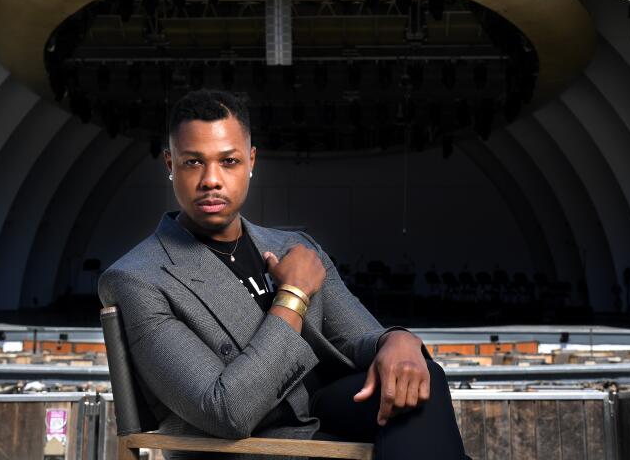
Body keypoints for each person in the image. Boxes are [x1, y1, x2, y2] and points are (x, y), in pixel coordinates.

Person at [98, 90, 466, 459]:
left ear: (251, 161)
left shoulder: (296, 246)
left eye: (229, 161)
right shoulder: (137, 278)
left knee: (421, 378)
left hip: (319, 417)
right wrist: (293, 294)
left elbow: (359, 335)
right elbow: (226, 410)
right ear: (169, 164)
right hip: (254, 445)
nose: (211, 179)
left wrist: (396, 341)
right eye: (193, 162)